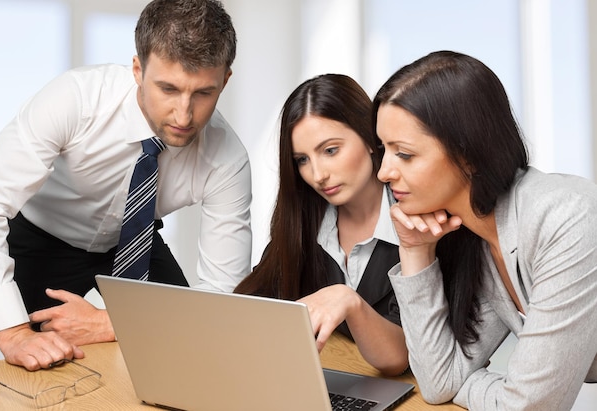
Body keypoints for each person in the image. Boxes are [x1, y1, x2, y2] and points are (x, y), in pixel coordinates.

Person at [0, 0, 251, 371]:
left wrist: (108, 323)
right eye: (168, 89)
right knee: (17, 366)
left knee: (191, 347)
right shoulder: (75, 99)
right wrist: (14, 333)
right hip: (38, 238)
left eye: (203, 93)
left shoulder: (228, 159)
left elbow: (223, 299)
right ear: (137, 69)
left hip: (135, 241)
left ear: (225, 80)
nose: (184, 115)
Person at [374, 50, 597, 410]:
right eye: (384, 150)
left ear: (468, 153)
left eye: (404, 154)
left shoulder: (565, 217)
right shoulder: (480, 237)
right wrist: (415, 251)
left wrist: (505, 391)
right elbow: (438, 381)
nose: (384, 172)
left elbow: (529, 406)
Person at [235, 74, 408, 376]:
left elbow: (400, 357)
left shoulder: (415, 220)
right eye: (302, 159)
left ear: (370, 138)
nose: (318, 175)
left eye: (330, 151)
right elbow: (255, 306)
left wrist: (348, 301)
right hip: (339, 379)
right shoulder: (305, 220)